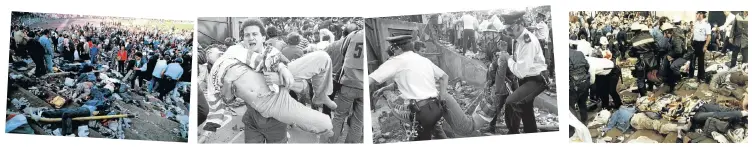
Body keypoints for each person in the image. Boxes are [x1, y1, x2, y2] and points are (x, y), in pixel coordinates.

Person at [369, 35, 449, 140]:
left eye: (393, 49)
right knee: (436, 131)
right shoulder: (424, 60)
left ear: (396, 48)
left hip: (421, 112)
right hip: (436, 108)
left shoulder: (396, 61)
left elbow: (370, 80)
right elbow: (444, 77)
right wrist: (442, 99)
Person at [329, 30, 364, 143]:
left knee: (339, 117)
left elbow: (343, 51)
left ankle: (332, 142)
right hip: (364, 86)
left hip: (349, 81)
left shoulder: (354, 34)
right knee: (358, 122)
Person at [689, 11, 711, 82]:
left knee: (700, 61)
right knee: (692, 59)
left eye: (700, 14)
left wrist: (706, 46)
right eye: (697, 13)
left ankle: (700, 77)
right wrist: (690, 40)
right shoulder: (695, 23)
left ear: (703, 15)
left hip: (702, 43)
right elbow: (693, 33)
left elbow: (709, 36)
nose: (698, 15)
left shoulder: (706, 24)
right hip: (694, 43)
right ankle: (691, 75)